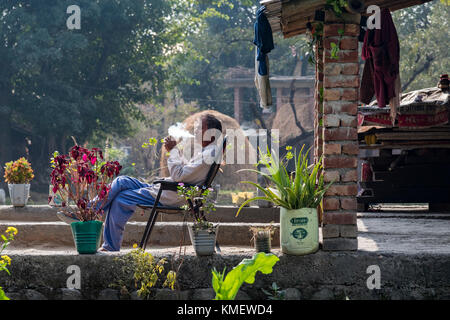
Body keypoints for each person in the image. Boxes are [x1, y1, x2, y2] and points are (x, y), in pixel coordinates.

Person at [58, 114, 223, 252]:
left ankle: (102, 234)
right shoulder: (209, 152)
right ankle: (92, 211)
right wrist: (176, 151)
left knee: (121, 198)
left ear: (211, 132)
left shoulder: (209, 153)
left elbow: (178, 175)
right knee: (122, 181)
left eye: (199, 127)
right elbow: (186, 173)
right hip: (166, 189)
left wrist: (173, 150)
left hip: (169, 194)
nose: (194, 130)